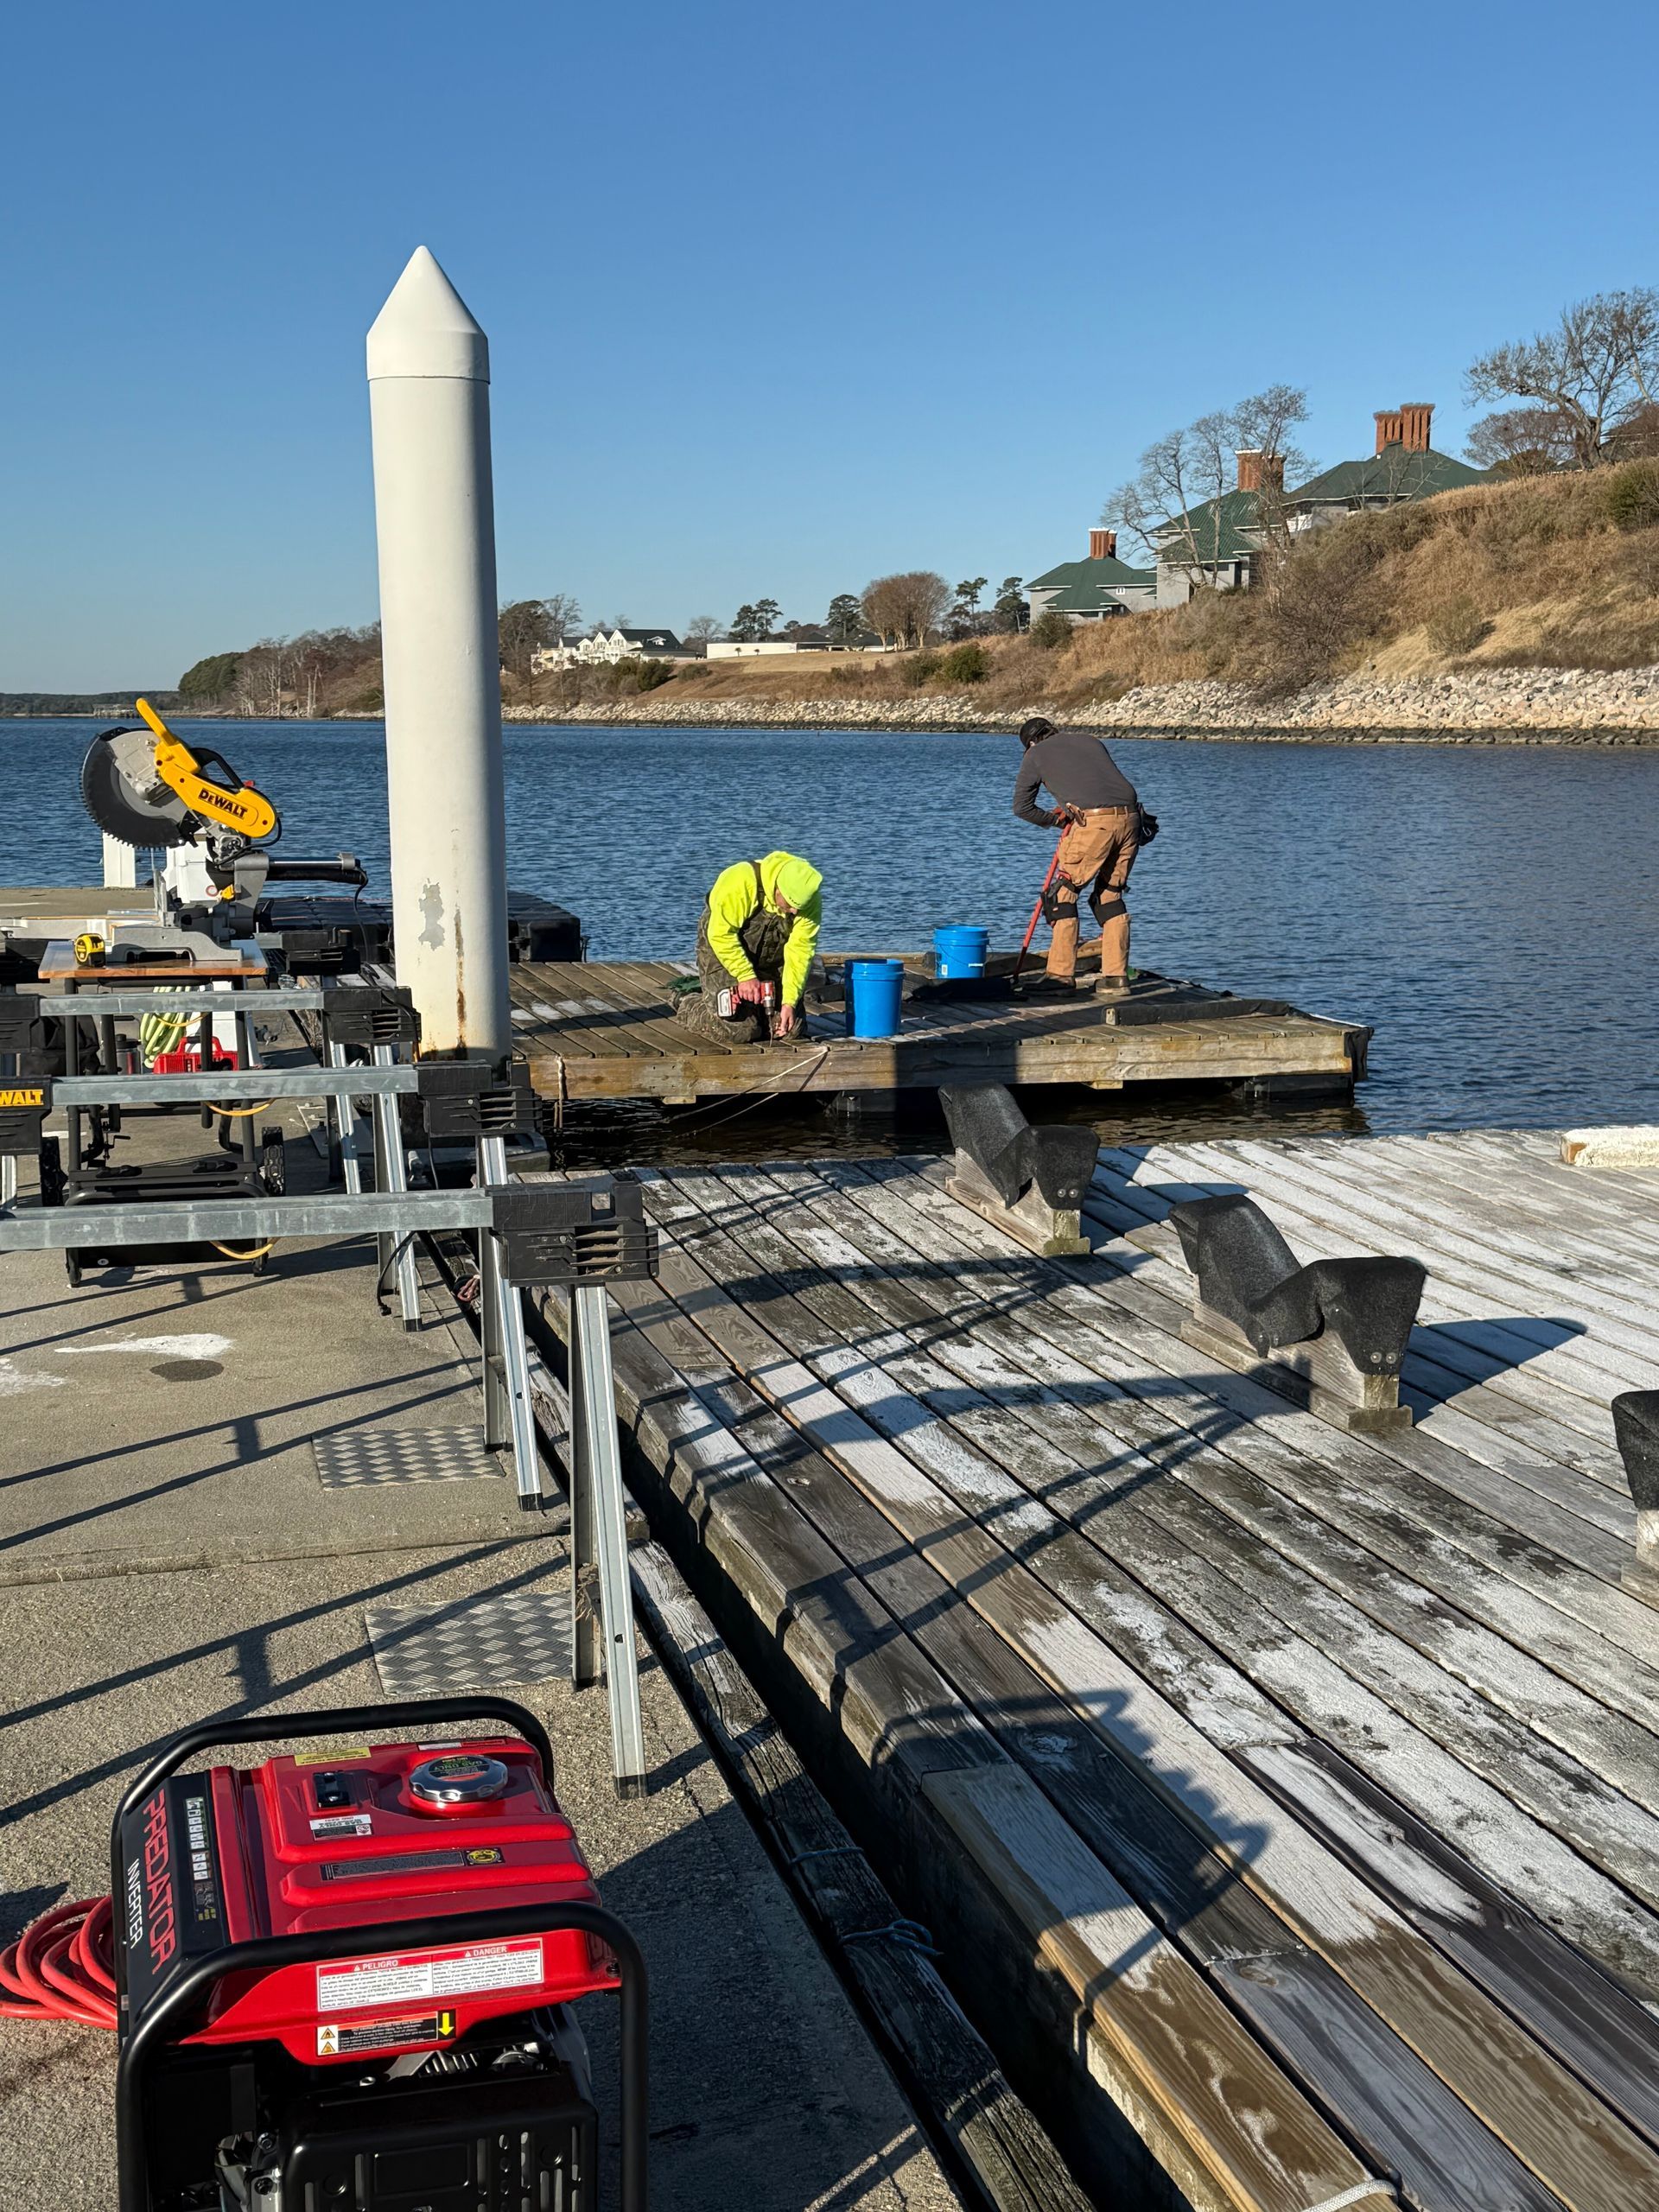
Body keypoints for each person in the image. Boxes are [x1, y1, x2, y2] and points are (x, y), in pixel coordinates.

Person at [1011, 715, 1141, 990]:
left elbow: (1022, 808)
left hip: (1093, 823)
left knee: (1062, 894)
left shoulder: (1035, 754)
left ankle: (1059, 977)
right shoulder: (1089, 740)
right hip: (1132, 819)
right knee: (1109, 895)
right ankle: (1116, 977)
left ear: (1032, 742)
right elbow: (1097, 785)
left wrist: (1055, 820)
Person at [677, 850, 823, 1042]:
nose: (795, 911)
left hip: (770, 958)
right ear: (777, 889)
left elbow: (800, 953)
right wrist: (745, 976)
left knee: (790, 1029)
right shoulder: (739, 881)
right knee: (742, 1031)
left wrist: (789, 1003)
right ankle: (687, 1002)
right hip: (722, 951)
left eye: (800, 907)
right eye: (790, 904)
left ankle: (761, 1011)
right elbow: (720, 935)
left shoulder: (809, 900)